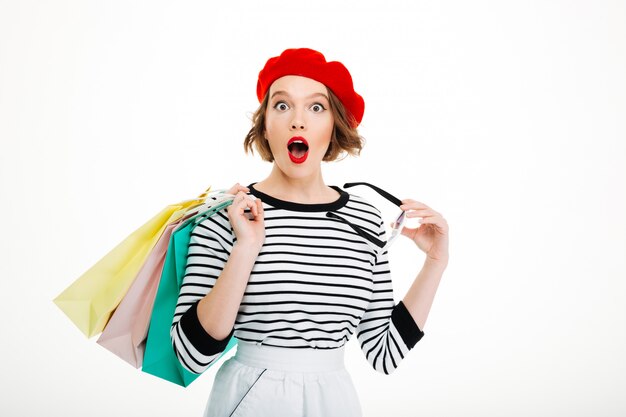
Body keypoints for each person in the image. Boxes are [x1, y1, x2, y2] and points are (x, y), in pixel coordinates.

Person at [170, 48, 449, 417]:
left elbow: (385, 352)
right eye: (282, 106)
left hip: (334, 402)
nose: (297, 121)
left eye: (316, 108)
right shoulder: (229, 213)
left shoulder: (365, 220)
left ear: (334, 125)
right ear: (265, 125)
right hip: (249, 400)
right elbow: (191, 355)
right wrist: (245, 248)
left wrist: (434, 263)